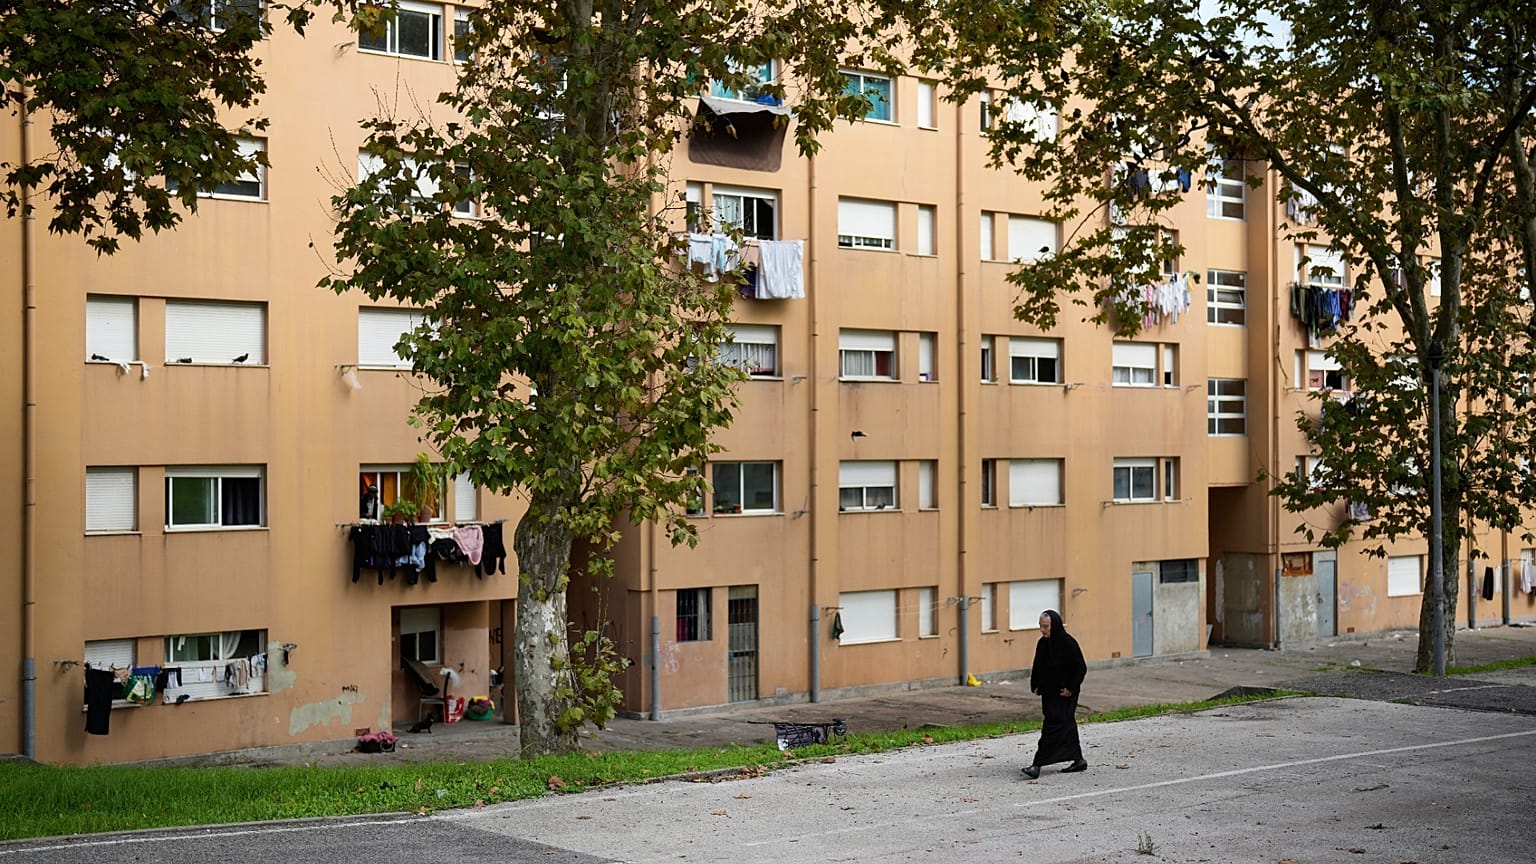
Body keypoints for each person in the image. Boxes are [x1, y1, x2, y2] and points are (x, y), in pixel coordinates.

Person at [1022, 609, 1088, 779]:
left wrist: (1071, 688)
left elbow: (1080, 668)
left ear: (1055, 626)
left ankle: (1037, 765)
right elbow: (1038, 666)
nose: (1043, 630)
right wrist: (1035, 685)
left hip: (1065, 693)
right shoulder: (1042, 643)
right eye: (1041, 626)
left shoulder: (1068, 643)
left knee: (1052, 726)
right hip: (1049, 692)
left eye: (1046, 627)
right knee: (1066, 725)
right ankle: (1078, 759)